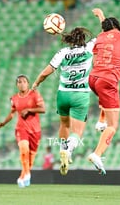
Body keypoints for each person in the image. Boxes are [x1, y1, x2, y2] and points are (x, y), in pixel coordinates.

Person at [32, 27, 95, 175]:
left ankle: (62, 149)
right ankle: (69, 151)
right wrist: (101, 17)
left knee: (64, 124)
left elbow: (45, 72)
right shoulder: (90, 47)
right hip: (81, 94)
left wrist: (36, 83)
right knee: (77, 131)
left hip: (63, 94)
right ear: (83, 38)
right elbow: (105, 35)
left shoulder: (63, 52)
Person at [87, 8, 120, 175]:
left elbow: (95, 61)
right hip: (107, 81)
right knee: (113, 125)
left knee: (110, 88)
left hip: (93, 79)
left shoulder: (100, 38)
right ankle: (97, 154)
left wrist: (101, 16)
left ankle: (101, 121)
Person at [0, 74, 46, 188]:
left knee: (31, 157)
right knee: (24, 151)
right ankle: (28, 174)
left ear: (28, 84)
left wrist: (29, 110)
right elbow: (12, 113)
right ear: (17, 85)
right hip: (21, 128)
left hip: (35, 130)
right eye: (19, 82)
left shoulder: (35, 95)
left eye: (24, 81)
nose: (22, 84)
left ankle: (22, 176)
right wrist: (3, 123)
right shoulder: (14, 98)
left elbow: (43, 109)